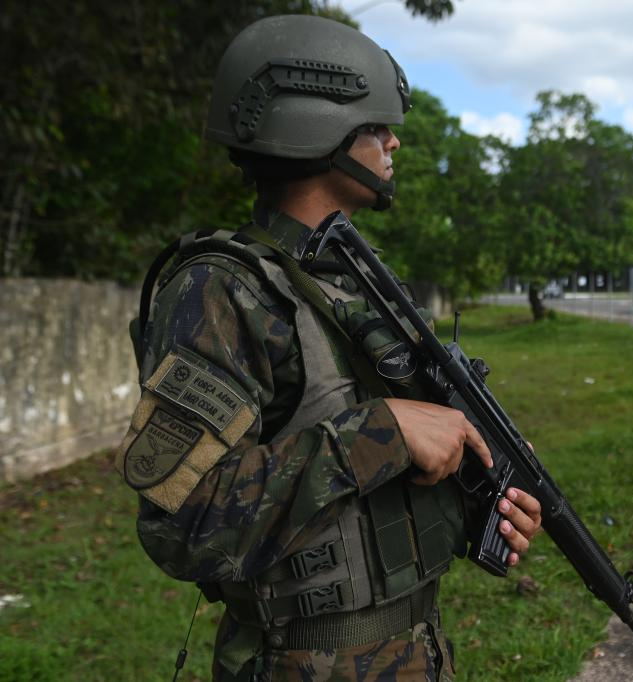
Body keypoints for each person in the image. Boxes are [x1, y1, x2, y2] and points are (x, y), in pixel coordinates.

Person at [116, 14, 542, 681]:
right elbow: (182, 522)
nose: (393, 141)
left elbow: (375, 494)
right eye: (377, 127)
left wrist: (476, 493)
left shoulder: (355, 284)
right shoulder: (223, 290)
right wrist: (382, 432)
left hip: (417, 654)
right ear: (317, 129)